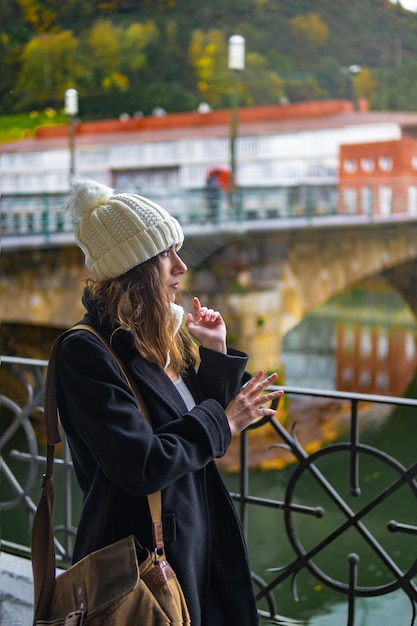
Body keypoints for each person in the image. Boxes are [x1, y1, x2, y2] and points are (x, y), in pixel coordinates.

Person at [56, 177, 283, 626]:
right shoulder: (86, 351)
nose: (181, 267)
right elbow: (142, 464)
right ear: (133, 270)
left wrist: (216, 354)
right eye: (166, 255)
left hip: (195, 535)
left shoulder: (158, 336)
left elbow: (201, 424)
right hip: (139, 556)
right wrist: (229, 421)